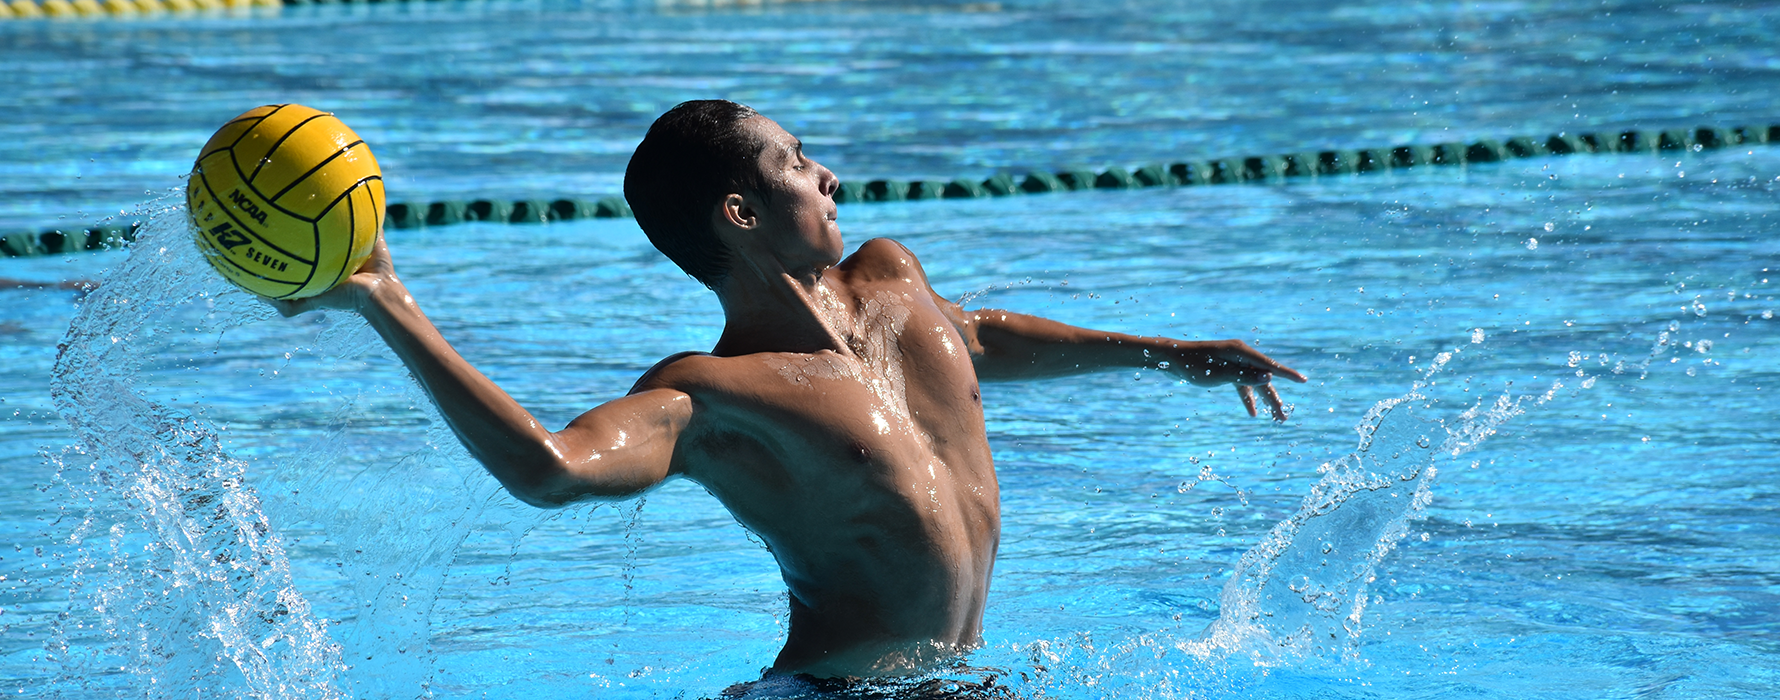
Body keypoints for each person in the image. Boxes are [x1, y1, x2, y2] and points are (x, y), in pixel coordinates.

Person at [276, 99, 1305, 680]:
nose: (828, 178)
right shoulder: (714, 396)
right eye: (799, 161)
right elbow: (547, 471)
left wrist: (1166, 350)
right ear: (740, 212)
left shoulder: (895, 285)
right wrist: (384, 301)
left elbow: (977, 338)